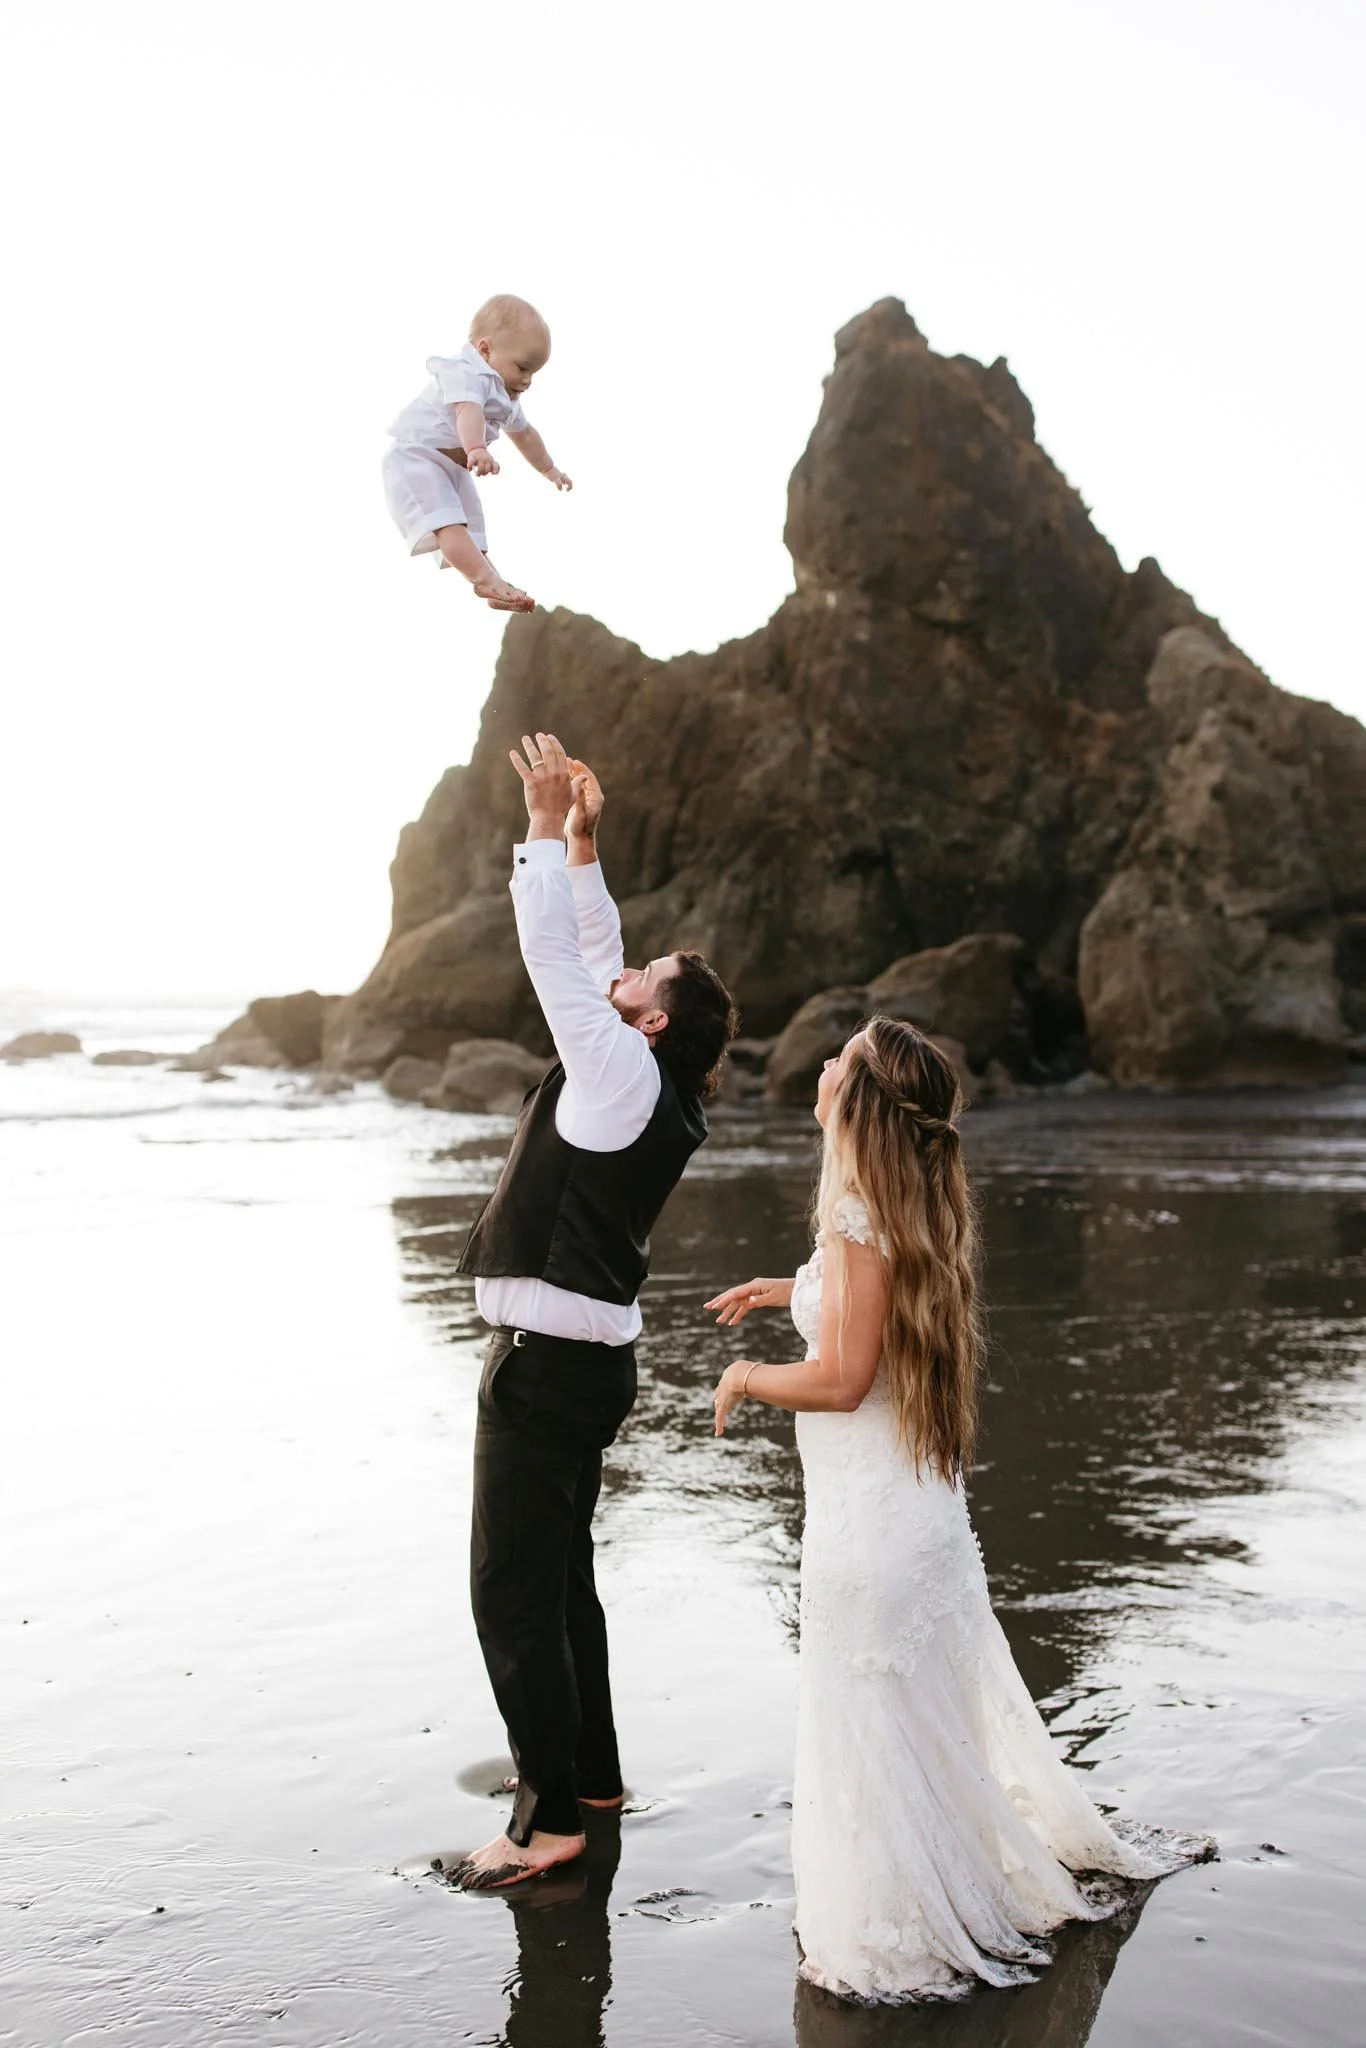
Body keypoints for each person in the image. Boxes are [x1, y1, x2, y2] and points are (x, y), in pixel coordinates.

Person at [707, 1016, 1209, 2001]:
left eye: (837, 1058)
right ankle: (945, 1879)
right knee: (917, 1729)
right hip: (918, 1521)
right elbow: (858, 1303)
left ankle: (897, 1927)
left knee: (874, 1722)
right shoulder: (905, 1206)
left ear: (853, 1101)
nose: (817, 1063)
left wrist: (747, 1375)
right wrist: (784, 1288)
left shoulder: (858, 1216)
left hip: (869, 1536)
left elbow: (846, 1377)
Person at [452, 731, 738, 1891]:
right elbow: (597, 952)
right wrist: (584, 843)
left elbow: (559, 965)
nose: (623, 978)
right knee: (561, 1579)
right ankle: (590, 1772)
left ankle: (551, 1818)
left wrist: (532, 826)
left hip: (547, 1369)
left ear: (652, 1021)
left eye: (642, 983)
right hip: (587, 1366)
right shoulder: (650, 1081)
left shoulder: (618, 1070)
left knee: (511, 1592)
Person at [382, 294, 571, 614]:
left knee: (473, 532)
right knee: (449, 525)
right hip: (417, 458)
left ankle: (495, 583)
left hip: (452, 466)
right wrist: (477, 448)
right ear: (485, 350)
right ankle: (484, 579)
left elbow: (525, 435)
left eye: (534, 372)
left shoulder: (506, 394)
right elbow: (467, 411)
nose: (527, 379)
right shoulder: (467, 372)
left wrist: (549, 469)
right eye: (523, 367)